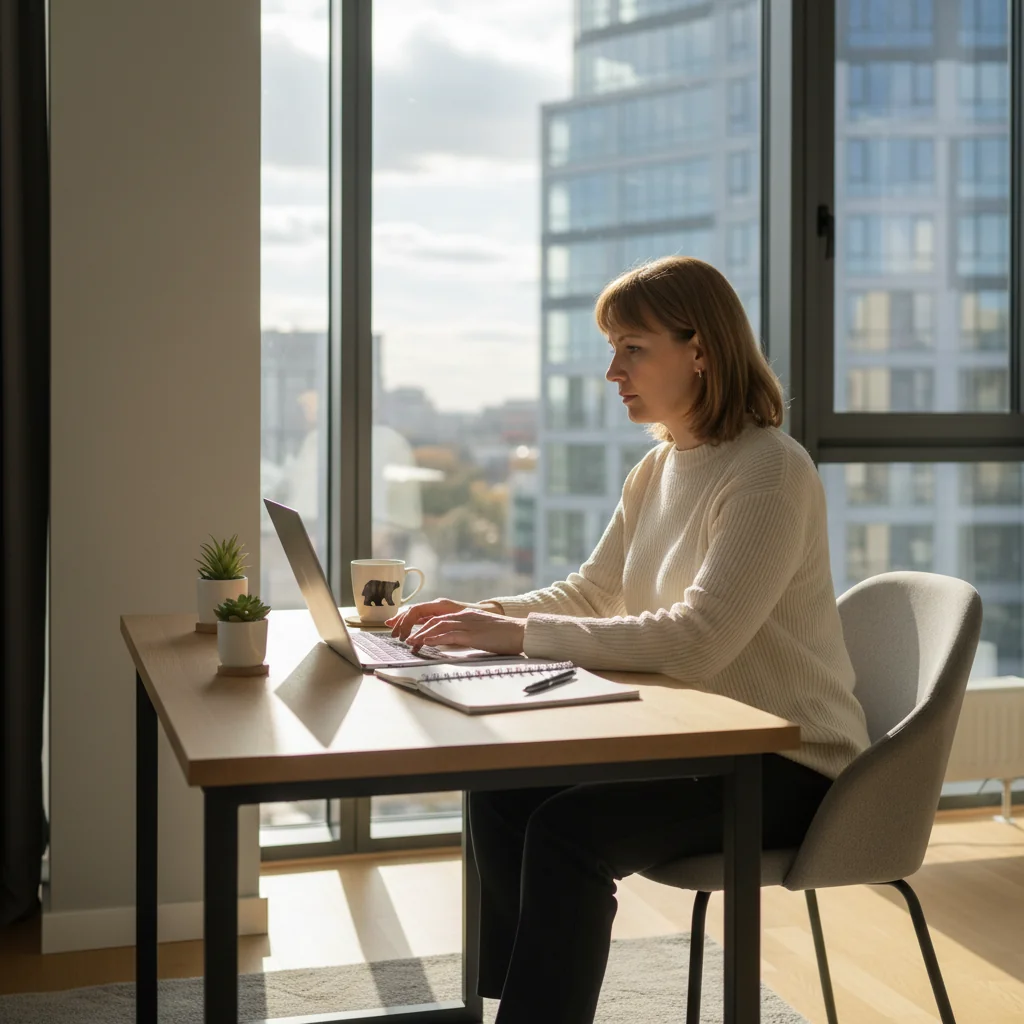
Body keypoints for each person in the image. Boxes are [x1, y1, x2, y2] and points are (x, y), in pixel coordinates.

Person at [385, 255, 871, 1024]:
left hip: (789, 763)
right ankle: (521, 1008)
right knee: (503, 791)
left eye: (632, 348)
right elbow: (590, 591)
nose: (613, 371)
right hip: (697, 743)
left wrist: (511, 635)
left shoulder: (770, 472)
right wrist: (474, 614)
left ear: (701, 351)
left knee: (568, 834)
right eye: (612, 348)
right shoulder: (658, 468)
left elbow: (698, 640)